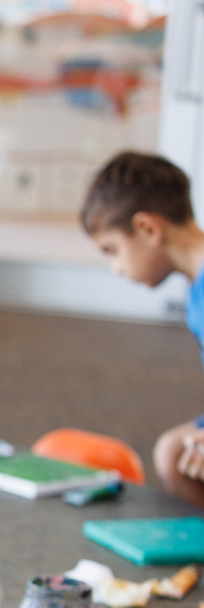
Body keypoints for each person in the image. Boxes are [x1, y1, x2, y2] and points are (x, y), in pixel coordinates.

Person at [81, 152, 204, 508]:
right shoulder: (196, 289)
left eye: (112, 250)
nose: (116, 268)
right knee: (174, 452)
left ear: (148, 229)